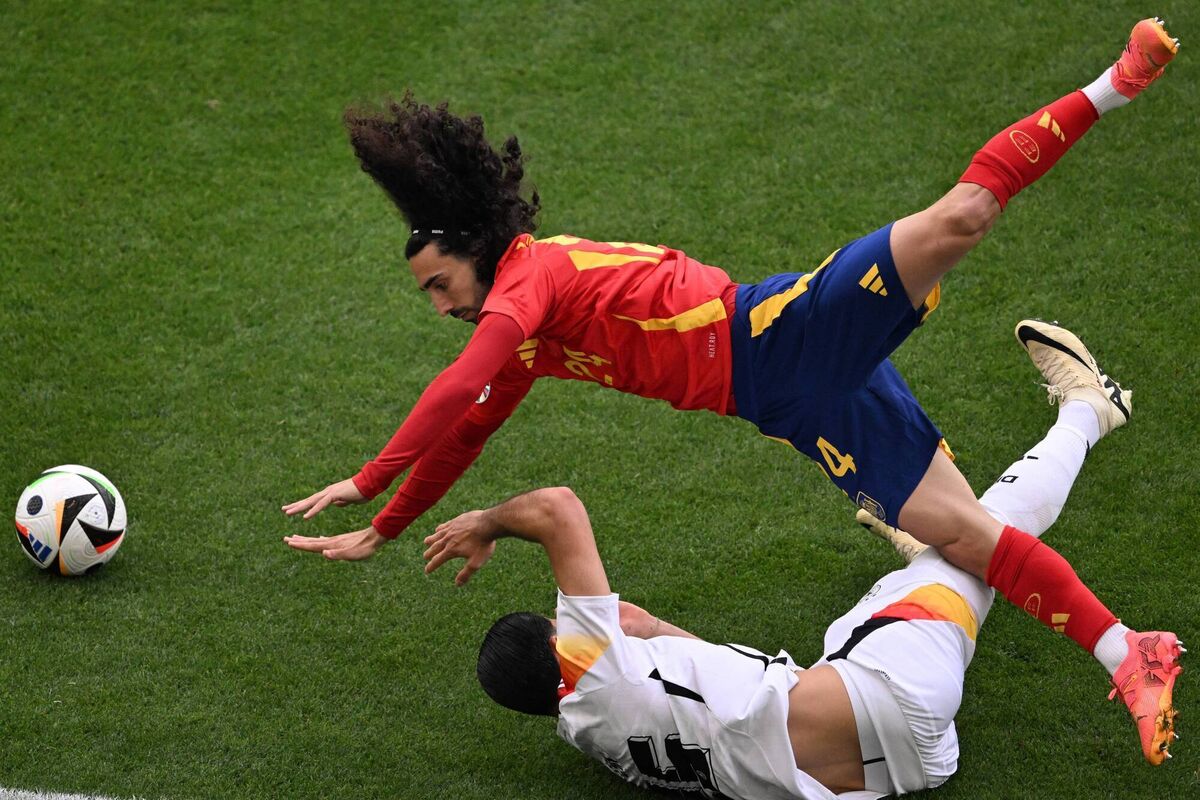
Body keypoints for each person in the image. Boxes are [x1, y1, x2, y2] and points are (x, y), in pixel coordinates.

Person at [282, 20, 1182, 760]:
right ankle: (1130, 653)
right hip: (794, 407)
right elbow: (467, 428)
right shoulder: (524, 333)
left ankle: (1118, 79)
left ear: (476, 252)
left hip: (780, 331)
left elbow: (458, 386)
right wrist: (388, 526)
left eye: (440, 285)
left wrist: (368, 479)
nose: (440, 306)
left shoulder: (530, 280)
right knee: (966, 539)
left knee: (961, 215)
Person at [419, 325, 1182, 798]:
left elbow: (664, 654)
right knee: (975, 541)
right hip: (891, 693)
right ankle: (1089, 407)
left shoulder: (585, 730)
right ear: (562, 653)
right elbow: (558, 509)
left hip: (898, 763)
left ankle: (914, 565)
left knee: (881, 603)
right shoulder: (592, 669)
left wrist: (640, 624)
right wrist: (487, 522)